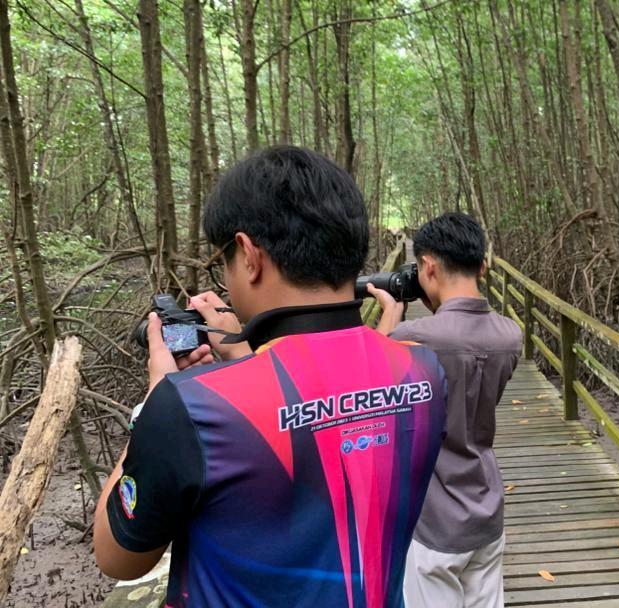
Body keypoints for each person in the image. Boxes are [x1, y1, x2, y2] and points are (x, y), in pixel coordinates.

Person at [93, 146, 448, 607]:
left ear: (248, 254)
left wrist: (156, 399)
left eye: (224, 260)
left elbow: (119, 558)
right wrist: (242, 354)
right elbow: (325, 414)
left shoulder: (190, 408)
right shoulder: (423, 370)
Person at [368, 212, 522, 608]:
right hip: (486, 504)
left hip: (433, 516)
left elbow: (369, 384)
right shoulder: (510, 335)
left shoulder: (411, 337)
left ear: (429, 266)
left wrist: (390, 313)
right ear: (483, 267)